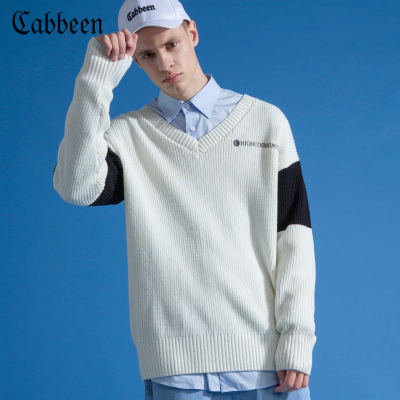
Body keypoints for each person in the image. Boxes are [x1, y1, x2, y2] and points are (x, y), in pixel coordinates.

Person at [52, 0, 317, 399]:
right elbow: (76, 187)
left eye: (171, 44)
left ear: (192, 33)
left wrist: (297, 339)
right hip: (176, 371)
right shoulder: (129, 135)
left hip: (270, 365)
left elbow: (293, 237)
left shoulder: (266, 121)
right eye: (147, 55)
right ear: (134, 60)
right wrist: (95, 79)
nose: (164, 63)